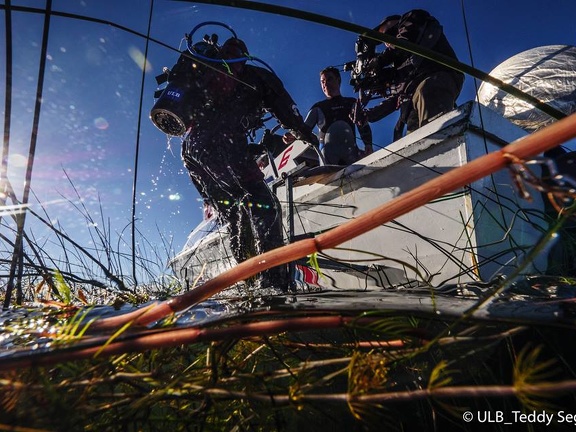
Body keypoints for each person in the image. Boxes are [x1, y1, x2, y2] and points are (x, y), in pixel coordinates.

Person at [179, 37, 317, 291]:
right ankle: (272, 288)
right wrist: (307, 134)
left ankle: (248, 284)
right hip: (221, 144)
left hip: (192, 151)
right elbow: (287, 110)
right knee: (264, 206)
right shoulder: (255, 76)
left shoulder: (207, 71)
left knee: (233, 213)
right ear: (244, 55)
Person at [356, 9, 464, 141]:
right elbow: (397, 97)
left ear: (393, 23)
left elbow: (405, 40)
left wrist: (379, 61)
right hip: (413, 102)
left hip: (434, 80)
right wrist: (369, 115)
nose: (385, 43)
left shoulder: (413, 18)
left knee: (435, 136)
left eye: (383, 35)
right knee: (415, 144)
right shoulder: (400, 64)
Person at [285, 67, 373, 165]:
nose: (325, 84)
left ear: (338, 80)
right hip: (328, 162)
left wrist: (368, 145)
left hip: (352, 157)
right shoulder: (318, 107)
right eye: (322, 82)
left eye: (329, 79)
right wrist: (292, 134)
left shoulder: (351, 103)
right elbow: (304, 129)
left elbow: (363, 124)